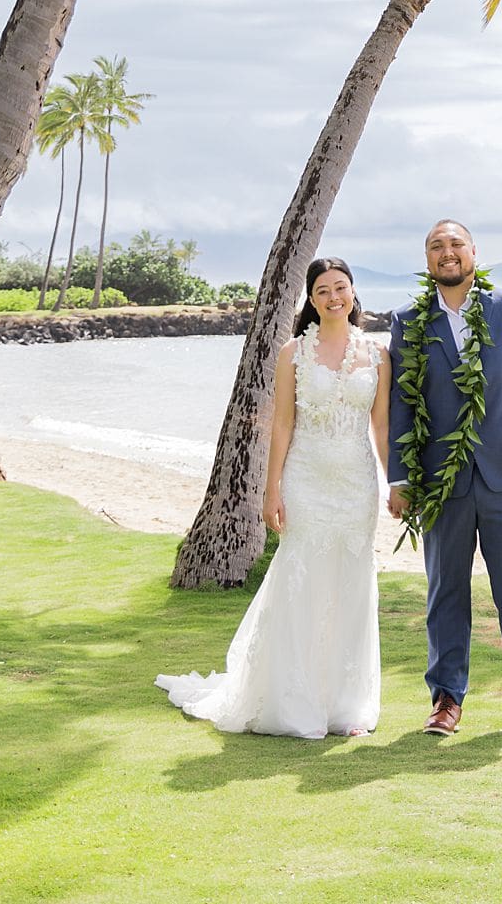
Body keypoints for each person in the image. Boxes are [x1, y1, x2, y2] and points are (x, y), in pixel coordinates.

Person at [157, 257, 390, 737]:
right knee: (302, 580)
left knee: (351, 584)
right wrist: (272, 489)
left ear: (353, 293)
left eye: (340, 287)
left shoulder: (379, 355)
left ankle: (345, 706)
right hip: (306, 479)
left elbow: (381, 426)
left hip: (357, 484)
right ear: (311, 298)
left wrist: (397, 484)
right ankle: (295, 700)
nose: (333, 297)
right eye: (322, 289)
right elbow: (281, 424)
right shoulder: (292, 353)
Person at [387, 219, 502, 734]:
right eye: (436, 246)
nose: (447, 252)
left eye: (455, 243)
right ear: (427, 260)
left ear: (473, 252)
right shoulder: (408, 320)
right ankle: (445, 699)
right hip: (443, 481)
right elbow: (401, 402)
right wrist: (400, 478)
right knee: (445, 592)